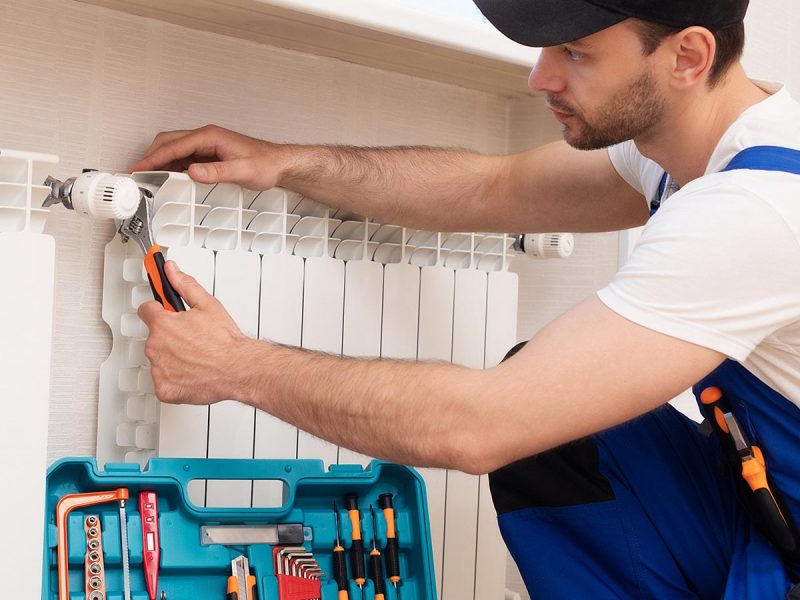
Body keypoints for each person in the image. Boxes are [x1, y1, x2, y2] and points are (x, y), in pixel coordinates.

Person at [131, 0, 800, 597]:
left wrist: (234, 365)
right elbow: (494, 188)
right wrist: (290, 164)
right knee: (569, 432)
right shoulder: (698, 149)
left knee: (531, 416)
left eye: (577, 53)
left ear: (687, 56)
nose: (541, 76)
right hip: (766, 513)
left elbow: (478, 427)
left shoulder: (755, 210)